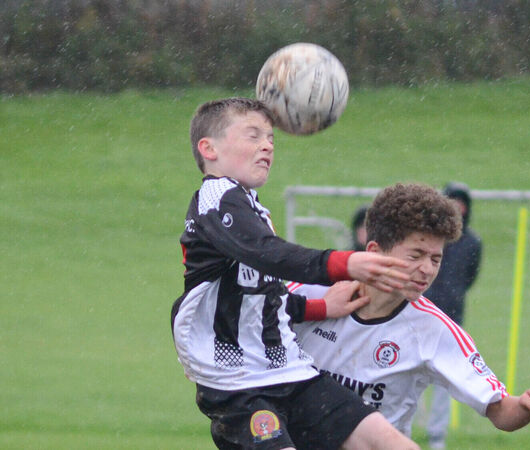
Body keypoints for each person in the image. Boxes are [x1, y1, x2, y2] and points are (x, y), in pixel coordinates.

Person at [170, 97, 419, 450]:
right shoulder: (216, 197)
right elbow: (269, 254)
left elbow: (260, 299)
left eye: (271, 138)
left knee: (394, 444)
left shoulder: (249, 206)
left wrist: (321, 308)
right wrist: (343, 264)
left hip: (291, 372)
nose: (267, 145)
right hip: (237, 383)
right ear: (209, 149)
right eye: (253, 135)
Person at [290, 183, 530, 442]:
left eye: (435, 259)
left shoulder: (434, 329)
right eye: (415, 255)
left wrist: (525, 406)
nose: (427, 269)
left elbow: (499, 410)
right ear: (374, 252)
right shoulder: (310, 292)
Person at [421, 181, 482, 448]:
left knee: (444, 379)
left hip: (452, 319)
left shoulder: (472, 243)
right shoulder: (430, 238)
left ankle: (436, 435)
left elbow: (470, 276)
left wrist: (452, 295)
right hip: (422, 314)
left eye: (461, 203)